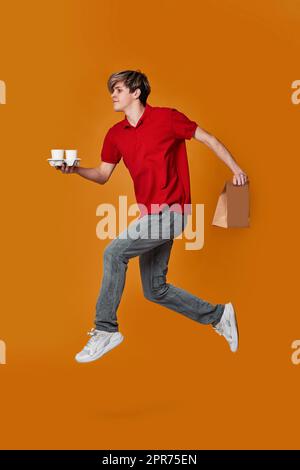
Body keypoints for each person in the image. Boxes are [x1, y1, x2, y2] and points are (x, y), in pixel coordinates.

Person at [56, 70, 248, 363]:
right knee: (155, 290)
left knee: (113, 253)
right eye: (112, 90)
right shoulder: (115, 135)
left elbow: (208, 138)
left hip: (173, 211)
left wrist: (235, 170)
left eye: (118, 89)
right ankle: (219, 315)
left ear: (136, 92)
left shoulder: (167, 118)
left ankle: (105, 328)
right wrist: (76, 169)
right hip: (150, 217)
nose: (113, 95)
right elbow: (103, 174)